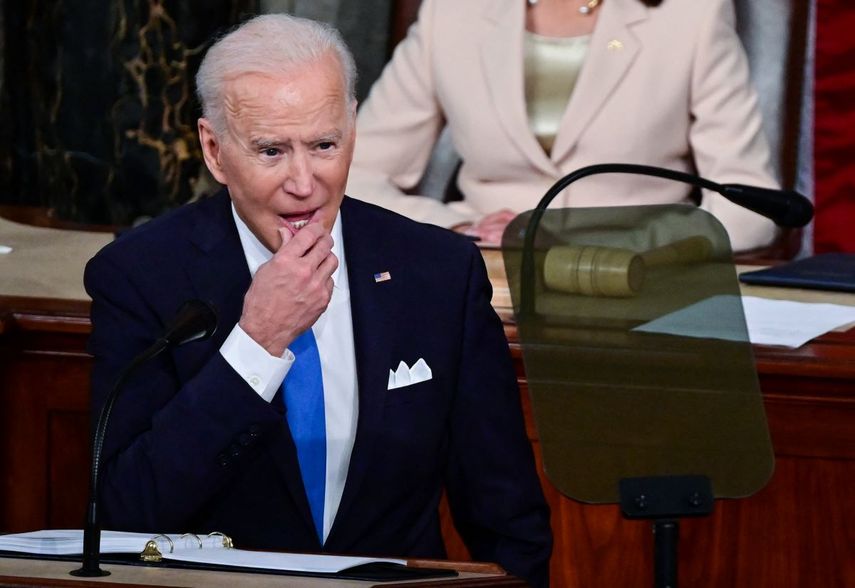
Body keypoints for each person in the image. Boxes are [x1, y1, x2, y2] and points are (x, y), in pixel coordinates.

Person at [83, 14, 552, 586]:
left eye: (324, 145)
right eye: (272, 151)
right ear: (214, 149)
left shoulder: (437, 273)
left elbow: (506, 515)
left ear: (353, 130)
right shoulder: (140, 275)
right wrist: (256, 344)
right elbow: (125, 513)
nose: (304, 183)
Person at [346, 0, 781, 252]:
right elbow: (352, 176)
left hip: (629, 278)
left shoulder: (692, 14)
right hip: (486, 273)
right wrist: (456, 228)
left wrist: (632, 247)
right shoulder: (453, 11)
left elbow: (752, 208)